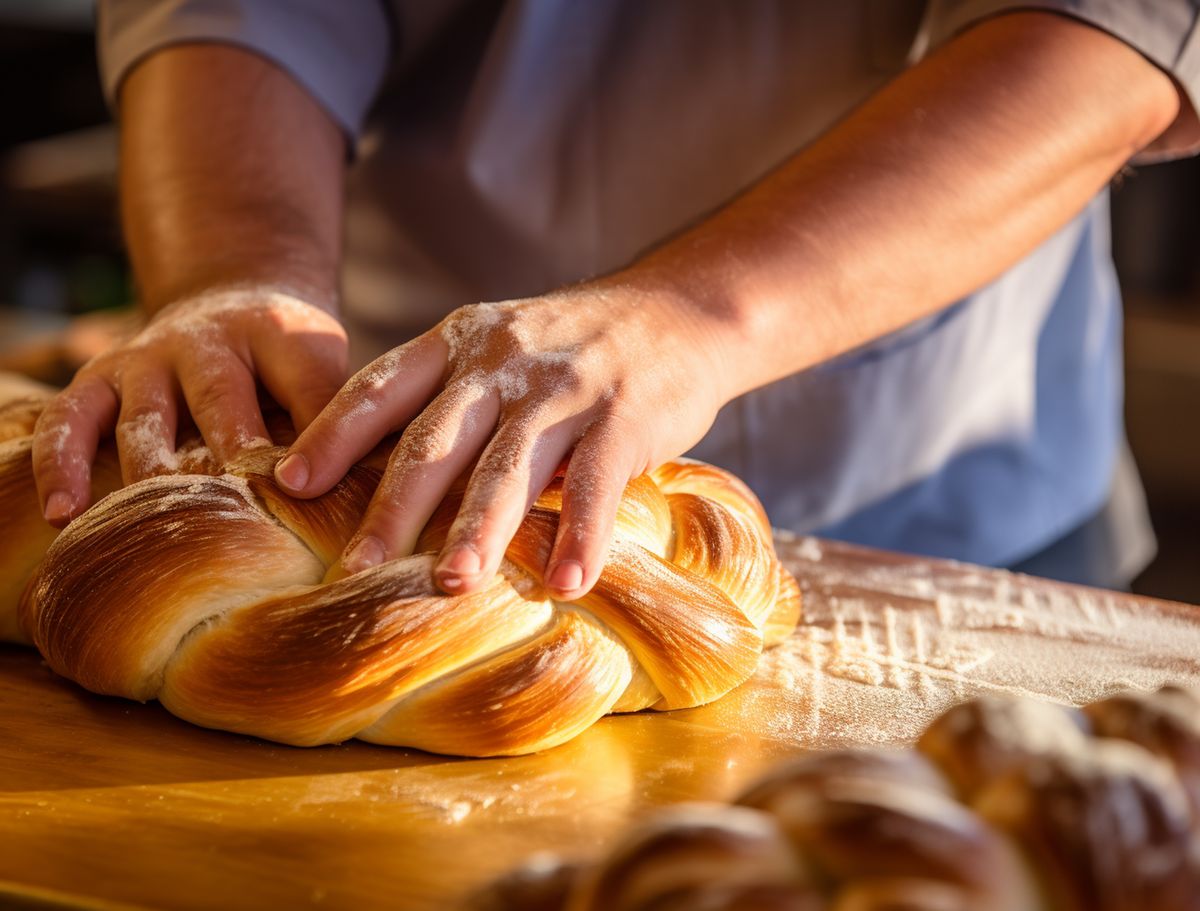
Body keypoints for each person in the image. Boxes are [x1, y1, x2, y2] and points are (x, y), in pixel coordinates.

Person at [31, 1, 1200, 598]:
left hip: (936, 494)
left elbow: (1106, 34)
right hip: (371, 452)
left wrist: (697, 315)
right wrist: (241, 267)